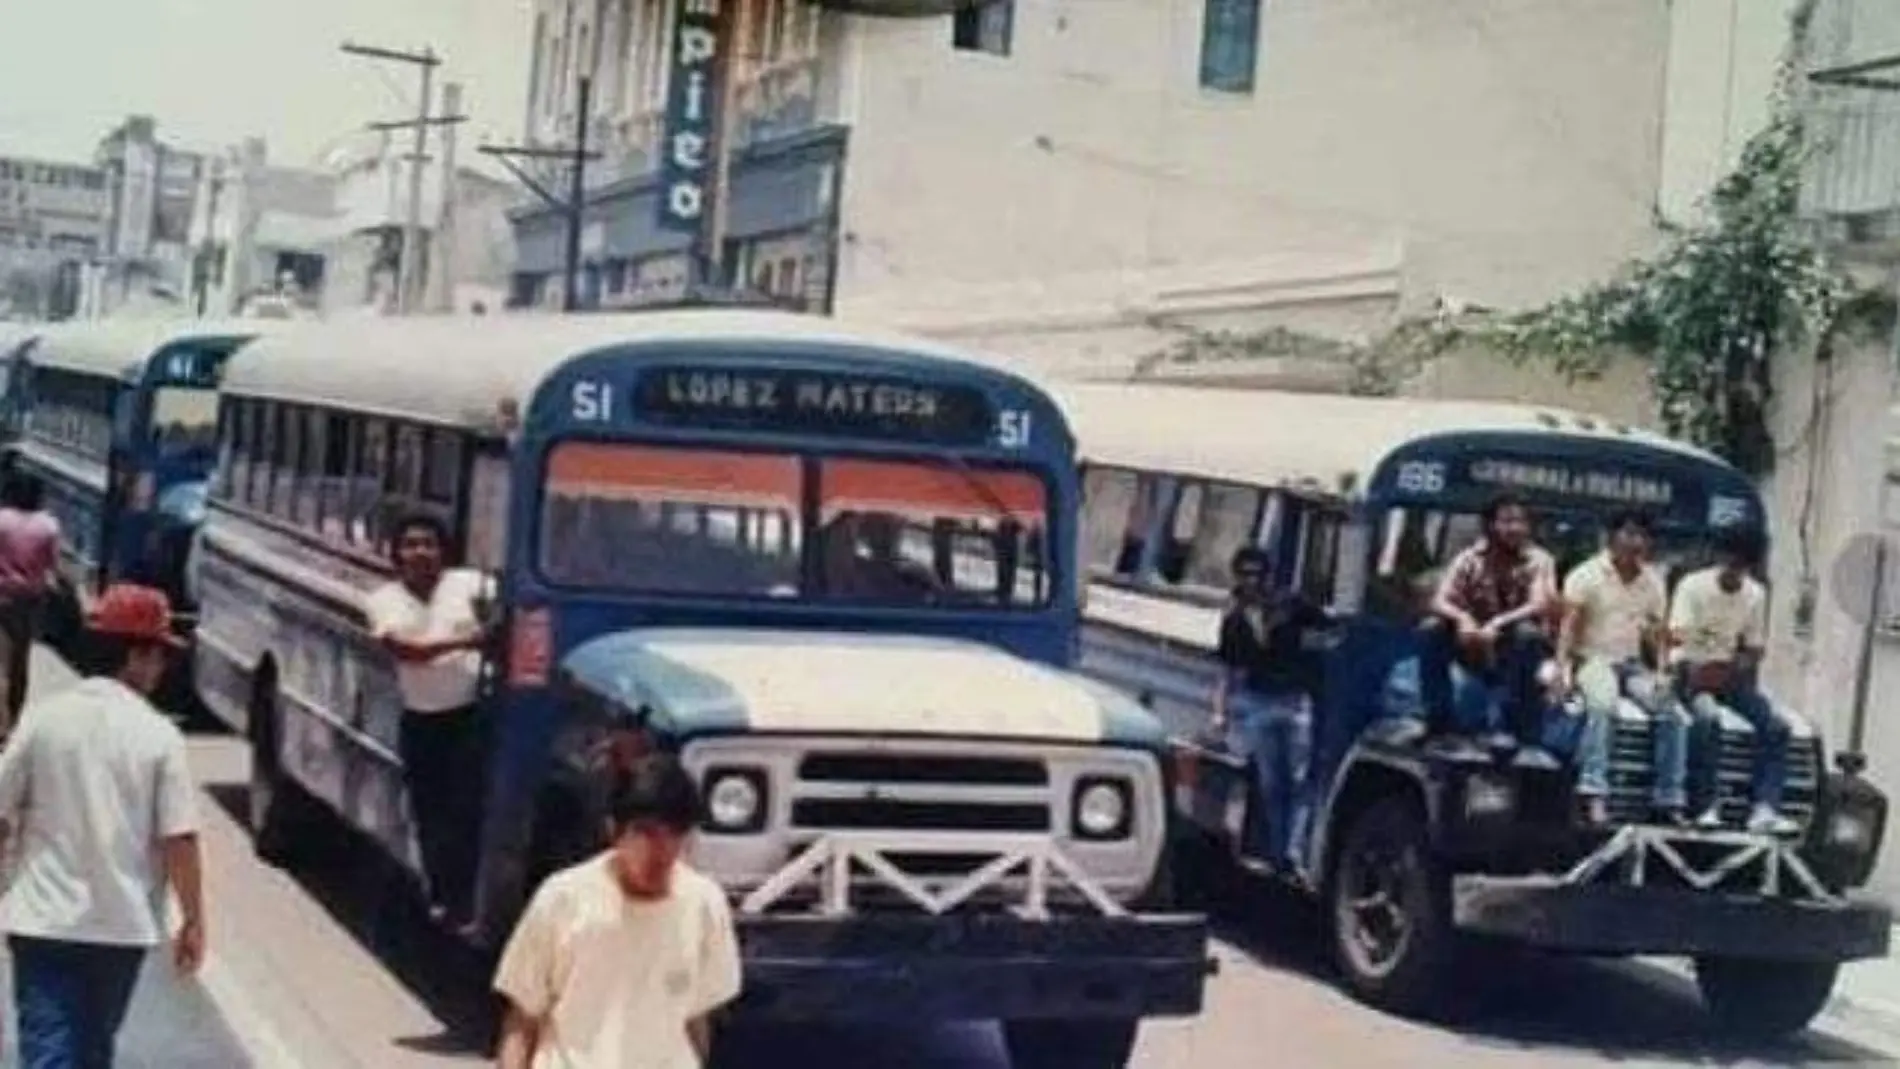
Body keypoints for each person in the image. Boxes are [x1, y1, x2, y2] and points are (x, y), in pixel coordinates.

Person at [0, 584, 205, 1067]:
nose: (160, 670)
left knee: (49, 1047)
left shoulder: (45, 720)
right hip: (121, 926)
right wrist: (194, 918)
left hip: (42, 919)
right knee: (94, 1050)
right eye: (158, 656)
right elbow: (180, 837)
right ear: (135, 655)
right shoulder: (159, 734)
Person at [493, 753, 743, 1069]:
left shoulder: (704, 904)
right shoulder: (564, 899)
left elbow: (696, 1019)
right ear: (614, 831)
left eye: (674, 834)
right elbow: (522, 1019)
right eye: (646, 833)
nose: (660, 850)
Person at [365, 512, 493, 931]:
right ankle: (440, 893)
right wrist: (469, 641)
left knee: (467, 809)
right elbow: (407, 650)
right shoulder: (385, 600)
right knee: (431, 813)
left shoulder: (469, 586)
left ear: (444, 551)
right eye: (411, 544)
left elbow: (503, 615)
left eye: (429, 544)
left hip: (471, 716)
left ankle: (465, 896)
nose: (420, 552)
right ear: (396, 554)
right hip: (423, 723)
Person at [1557, 510, 1690, 828]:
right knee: (1603, 705)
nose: (1635, 542)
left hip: (1631, 664)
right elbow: (1569, 626)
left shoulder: (1653, 581)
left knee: (1673, 714)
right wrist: (1562, 670)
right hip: (1593, 659)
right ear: (1612, 536)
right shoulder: (1586, 575)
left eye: (1642, 536)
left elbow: (1658, 634)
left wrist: (1661, 673)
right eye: (1629, 534)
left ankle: (1667, 798)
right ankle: (1594, 792)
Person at [1667, 526, 1797, 836]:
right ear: (1719, 557)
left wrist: (1738, 665)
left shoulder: (1755, 594)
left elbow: (1753, 647)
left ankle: (1765, 807)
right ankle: (1704, 805)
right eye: (1729, 562)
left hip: (1727, 673)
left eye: (1740, 566)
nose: (1733, 571)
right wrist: (1696, 672)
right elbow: (1677, 640)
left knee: (1777, 726)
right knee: (1707, 718)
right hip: (1690, 672)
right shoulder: (1692, 587)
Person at [1210, 546, 1331, 867]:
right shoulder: (1233, 619)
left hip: (1294, 700)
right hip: (1257, 701)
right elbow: (1228, 670)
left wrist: (1312, 660)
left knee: (1302, 779)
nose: (1252, 580)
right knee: (1271, 783)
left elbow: (1329, 629)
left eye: (1257, 573)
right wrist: (1220, 711)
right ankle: (1280, 853)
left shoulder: (1291, 604)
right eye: (1245, 574)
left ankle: (1295, 850)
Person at [1422, 493, 1559, 758]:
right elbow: (1439, 599)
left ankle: (1506, 727)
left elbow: (1538, 604)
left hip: (1516, 647)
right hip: (1473, 642)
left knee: (1527, 634)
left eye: (1521, 521)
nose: (1515, 528)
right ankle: (1438, 721)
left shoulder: (1539, 560)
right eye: (1507, 521)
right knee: (1432, 630)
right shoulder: (1469, 558)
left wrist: (1498, 623)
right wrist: (1463, 619)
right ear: (1490, 525)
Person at [0, 470, 59, 730]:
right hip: (28, 602)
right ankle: (13, 719)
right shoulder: (48, 526)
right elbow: (51, 566)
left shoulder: (2, 520)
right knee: (20, 663)